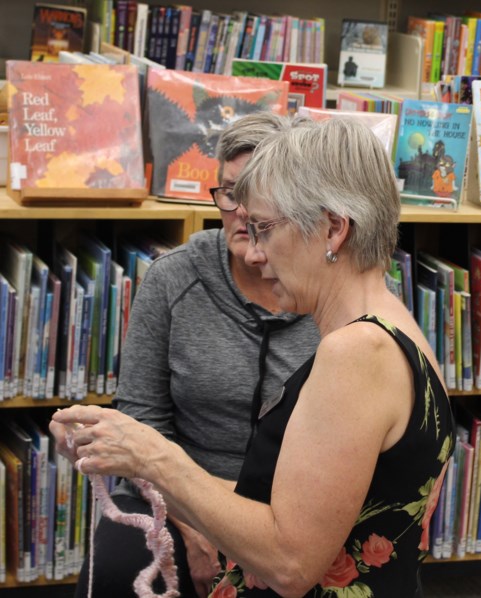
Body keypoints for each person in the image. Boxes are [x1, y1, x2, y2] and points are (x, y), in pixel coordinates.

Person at [52, 118, 455, 597]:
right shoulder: (399, 328)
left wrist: (153, 456)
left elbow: (287, 564)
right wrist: (130, 444)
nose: (256, 253)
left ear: (332, 228)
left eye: (265, 228)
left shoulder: (354, 353)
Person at [72, 113, 322, 598]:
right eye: (230, 193)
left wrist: (257, 532)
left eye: (259, 196)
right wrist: (191, 524)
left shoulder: (327, 289)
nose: (244, 214)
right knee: (116, 571)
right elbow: (142, 422)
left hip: (290, 506)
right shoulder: (172, 279)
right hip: (175, 495)